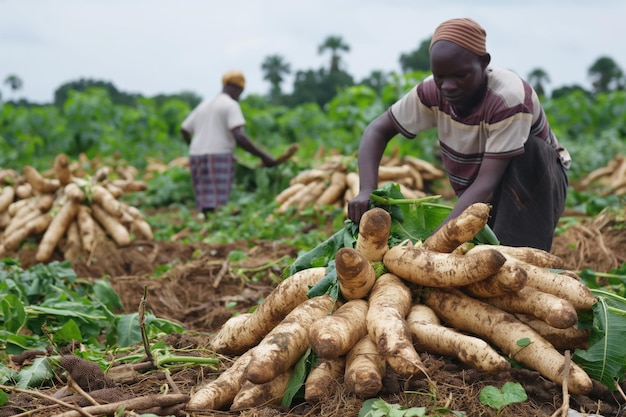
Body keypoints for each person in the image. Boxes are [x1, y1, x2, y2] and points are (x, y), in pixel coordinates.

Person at [347, 18, 570, 251]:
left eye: (460, 75)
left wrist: (434, 242)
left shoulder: (508, 98)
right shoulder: (433, 91)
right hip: (479, 194)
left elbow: (486, 183)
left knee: (508, 259)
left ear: (483, 63)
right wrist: (366, 189)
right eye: (440, 77)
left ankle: (521, 254)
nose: (448, 87)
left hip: (536, 185)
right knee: (475, 263)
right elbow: (377, 130)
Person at [181, 70, 278, 217]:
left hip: (196, 156)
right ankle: (217, 228)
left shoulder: (204, 104)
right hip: (219, 155)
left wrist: (194, 145)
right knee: (219, 199)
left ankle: (208, 227)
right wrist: (264, 156)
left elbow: (184, 129)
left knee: (205, 198)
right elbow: (239, 136)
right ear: (238, 88)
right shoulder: (230, 105)